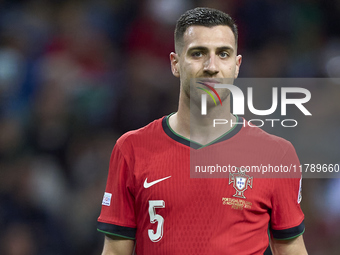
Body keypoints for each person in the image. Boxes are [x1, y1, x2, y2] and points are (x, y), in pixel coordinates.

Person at [97, 7, 308, 255]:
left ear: (237, 65)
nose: (211, 66)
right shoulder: (131, 148)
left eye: (223, 54)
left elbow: (291, 247)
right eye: (198, 53)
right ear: (175, 63)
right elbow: (115, 250)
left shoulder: (276, 154)